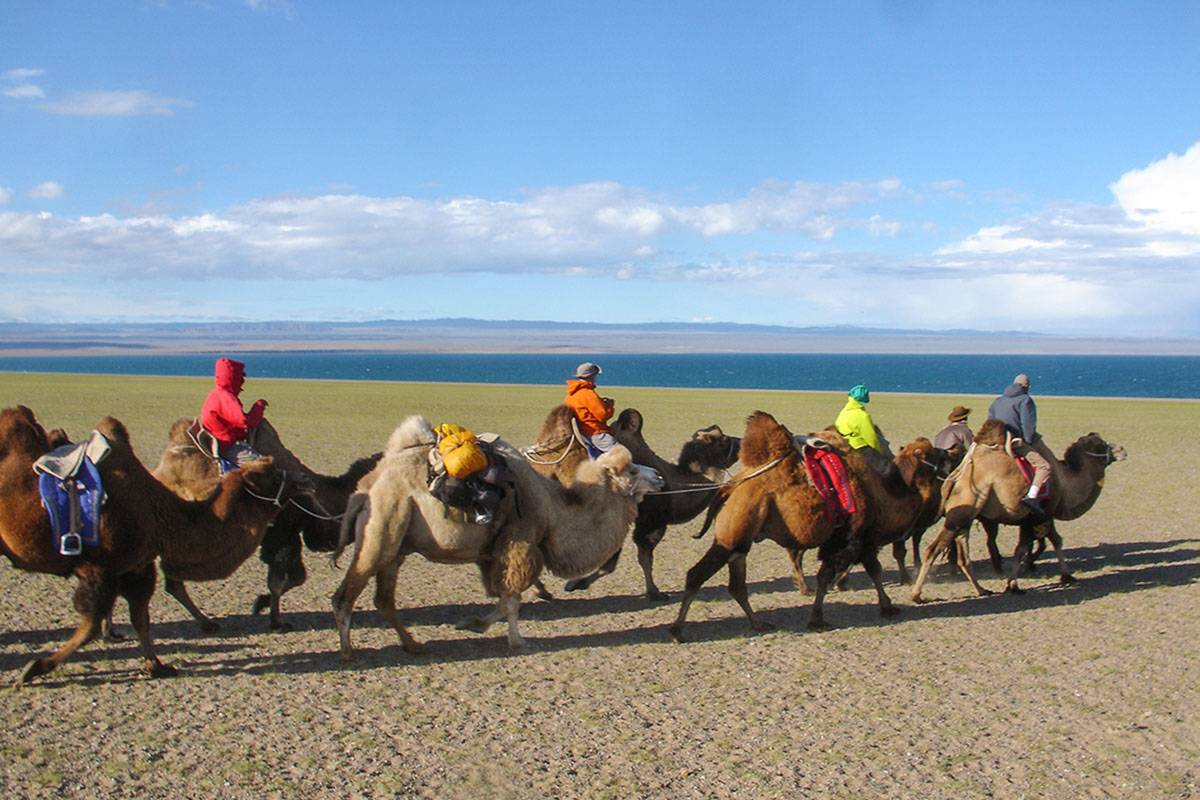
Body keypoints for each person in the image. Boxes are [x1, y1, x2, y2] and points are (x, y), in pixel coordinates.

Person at [987, 373, 1052, 513]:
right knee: (1044, 466)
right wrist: (1028, 442)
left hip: (996, 442)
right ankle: (1032, 497)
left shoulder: (997, 401)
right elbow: (1028, 424)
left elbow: (990, 422)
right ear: (1026, 387)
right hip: (1014, 443)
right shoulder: (1025, 400)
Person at [200, 357, 269, 466]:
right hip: (226, 444)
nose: (243, 379)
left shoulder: (217, 394)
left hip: (219, 441)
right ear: (234, 377)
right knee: (262, 467)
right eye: (241, 375)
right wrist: (259, 408)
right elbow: (244, 422)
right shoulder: (225, 397)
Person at [834, 384, 894, 478]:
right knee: (886, 469)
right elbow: (871, 437)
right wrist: (879, 452)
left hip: (845, 444)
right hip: (859, 447)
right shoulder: (862, 415)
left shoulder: (844, 412)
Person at [564, 361, 616, 456]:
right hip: (594, 432)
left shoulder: (571, 394)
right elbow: (603, 416)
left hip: (581, 433)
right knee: (621, 454)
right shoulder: (588, 394)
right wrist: (610, 406)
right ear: (591, 376)